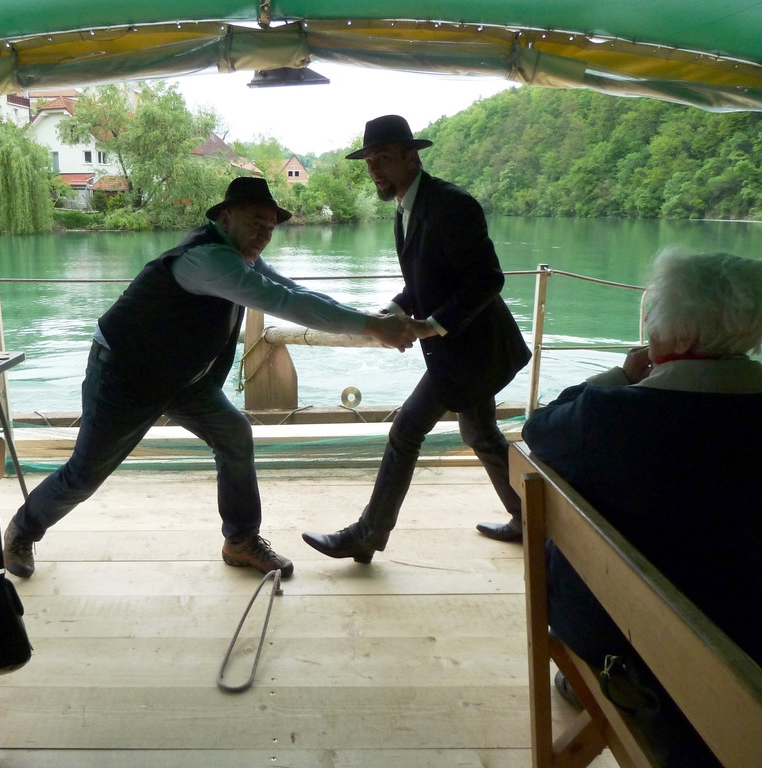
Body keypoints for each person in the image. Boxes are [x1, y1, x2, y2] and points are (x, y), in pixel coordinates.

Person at [3, 177, 420, 580]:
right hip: (126, 373)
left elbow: (298, 292)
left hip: (182, 377)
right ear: (225, 218)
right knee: (85, 473)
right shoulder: (209, 260)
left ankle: (240, 540)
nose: (264, 233)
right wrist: (373, 327)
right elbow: (285, 303)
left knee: (234, 435)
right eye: (255, 221)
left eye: (270, 226)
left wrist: (371, 319)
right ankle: (23, 529)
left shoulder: (242, 258)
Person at [522, 248, 762, 768]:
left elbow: (537, 430)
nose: (648, 325)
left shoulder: (610, 417)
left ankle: (590, 685)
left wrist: (621, 376)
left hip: (623, 640)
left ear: (684, 336)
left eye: (654, 314)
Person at [302, 114, 531, 563]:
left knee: (406, 431)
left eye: (383, 157)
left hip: (474, 348)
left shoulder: (452, 205)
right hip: (458, 348)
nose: (374, 169)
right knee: (481, 433)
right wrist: (388, 312)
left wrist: (430, 326)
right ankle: (531, 517)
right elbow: (423, 283)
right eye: (369, 160)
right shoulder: (406, 208)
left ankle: (367, 535)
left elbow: (488, 280)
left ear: (412, 157)